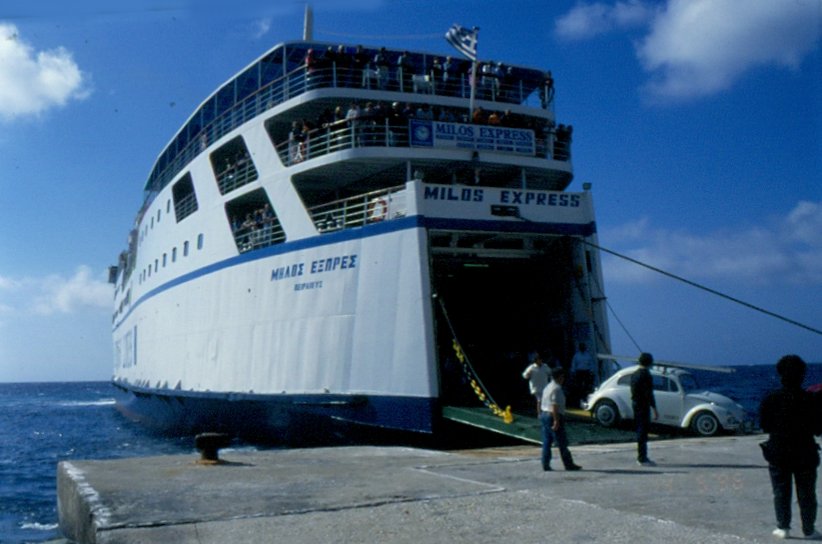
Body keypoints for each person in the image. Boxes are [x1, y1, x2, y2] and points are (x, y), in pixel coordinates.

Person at [759, 355, 822, 540]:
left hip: (778, 452)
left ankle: (783, 527)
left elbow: (765, 425)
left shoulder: (770, 399)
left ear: (780, 375)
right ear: (803, 375)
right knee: (807, 493)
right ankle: (809, 529)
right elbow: (818, 429)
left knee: (780, 491)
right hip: (805, 452)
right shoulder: (811, 400)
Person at [540, 367, 582, 472]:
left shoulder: (547, 387)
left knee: (547, 441)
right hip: (553, 415)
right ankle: (568, 464)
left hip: (544, 414)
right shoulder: (557, 389)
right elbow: (554, 405)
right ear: (559, 377)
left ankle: (545, 463)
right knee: (562, 442)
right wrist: (556, 420)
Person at [630, 352, 658, 466]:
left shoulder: (634, 374)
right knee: (643, 430)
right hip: (643, 405)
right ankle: (642, 458)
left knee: (639, 429)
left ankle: (642, 456)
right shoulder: (646, 375)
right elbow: (649, 393)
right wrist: (654, 408)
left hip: (635, 403)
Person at [522, 351, 551, 416]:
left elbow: (550, 373)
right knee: (540, 400)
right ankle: (539, 414)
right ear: (536, 360)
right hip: (536, 388)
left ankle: (545, 413)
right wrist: (527, 375)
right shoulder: (531, 367)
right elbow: (524, 375)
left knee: (545, 400)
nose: (540, 361)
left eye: (540, 359)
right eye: (538, 359)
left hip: (544, 386)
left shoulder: (545, 366)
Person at [570, 342, 596, 407]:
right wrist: (573, 372)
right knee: (579, 388)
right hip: (579, 373)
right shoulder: (576, 355)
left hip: (586, 373)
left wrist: (592, 371)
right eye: (581, 347)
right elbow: (573, 364)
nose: (582, 348)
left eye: (583, 347)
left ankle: (586, 400)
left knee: (586, 387)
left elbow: (591, 364)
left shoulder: (588, 355)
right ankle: (578, 401)